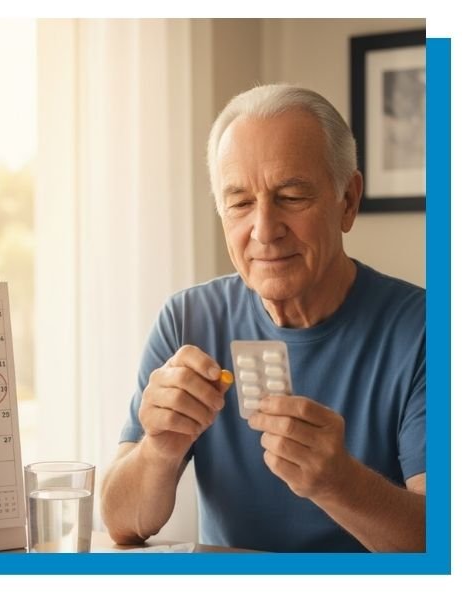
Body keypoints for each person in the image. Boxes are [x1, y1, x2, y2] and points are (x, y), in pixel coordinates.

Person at [100, 84, 425, 552]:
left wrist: (341, 485)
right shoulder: (187, 321)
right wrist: (159, 449)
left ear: (348, 201)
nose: (265, 230)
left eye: (292, 196)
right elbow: (122, 525)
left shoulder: (429, 331)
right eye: (240, 203)